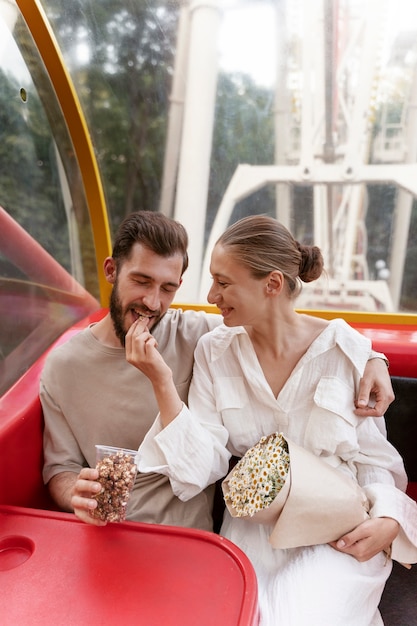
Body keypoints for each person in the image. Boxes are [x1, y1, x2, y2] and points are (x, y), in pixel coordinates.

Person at [133, 215, 417, 626]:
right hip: (253, 534)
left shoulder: (345, 351)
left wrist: (389, 519)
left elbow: (374, 460)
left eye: (223, 283)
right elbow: (202, 466)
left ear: (272, 284)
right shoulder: (215, 351)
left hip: (338, 533)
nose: (211, 295)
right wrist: (161, 381)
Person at [41, 210, 392, 532]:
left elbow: (281, 325)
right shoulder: (63, 367)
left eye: (167, 288)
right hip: (107, 531)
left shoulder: (200, 336)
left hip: (190, 539)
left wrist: (371, 356)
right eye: (141, 281)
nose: (152, 302)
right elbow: (60, 468)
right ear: (111, 271)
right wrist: (77, 493)